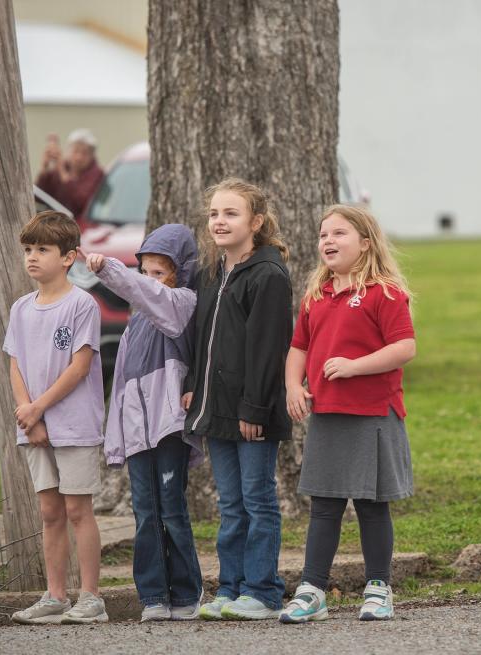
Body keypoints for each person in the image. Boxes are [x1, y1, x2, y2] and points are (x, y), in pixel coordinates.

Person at [280, 204, 416, 623]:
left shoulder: (385, 292)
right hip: (328, 414)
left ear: (365, 242)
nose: (328, 242)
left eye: (339, 234)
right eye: (323, 235)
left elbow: (404, 348)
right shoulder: (316, 295)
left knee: (372, 505)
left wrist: (354, 366)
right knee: (325, 505)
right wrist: (292, 386)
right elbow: (298, 347)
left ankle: (378, 587)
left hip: (373, 413)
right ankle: (312, 589)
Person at [182, 178, 292, 621]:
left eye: (231, 213)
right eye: (214, 214)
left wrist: (255, 409)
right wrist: (193, 384)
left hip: (252, 412)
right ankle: (229, 588)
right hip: (216, 409)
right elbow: (201, 338)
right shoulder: (212, 273)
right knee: (230, 504)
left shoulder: (267, 274)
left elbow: (268, 349)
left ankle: (263, 591)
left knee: (257, 500)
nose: (219, 221)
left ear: (257, 222)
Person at [82, 223, 204, 622]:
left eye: (160, 273)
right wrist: (115, 436)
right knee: (145, 512)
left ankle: (186, 594)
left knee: (171, 509)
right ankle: (153, 595)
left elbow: (144, 292)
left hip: (168, 427)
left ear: (179, 274)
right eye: (146, 271)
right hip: (137, 433)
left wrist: (111, 270)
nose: (151, 282)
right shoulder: (135, 325)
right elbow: (120, 387)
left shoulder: (181, 304)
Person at [4, 211, 107, 624]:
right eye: (28, 249)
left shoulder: (82, 304)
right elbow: (14, 364)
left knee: (79, 510)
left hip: (75, 425)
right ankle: (55, 596)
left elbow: (79, 367)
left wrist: (39, 408)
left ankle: (92, 597)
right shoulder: (20, 308)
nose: (32, 257)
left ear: (68, 257)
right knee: (49, 512)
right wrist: (29, 415)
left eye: (43, 249)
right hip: (33, 425)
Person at [36, 128, 106, 217]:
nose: (79, 157)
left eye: (84, 153)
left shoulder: (97, 174)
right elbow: (39, 197)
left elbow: (81, 202)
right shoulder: (61, 168)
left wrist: (62, 172)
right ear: (68, 151)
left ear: (92, 156)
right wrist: (44, 169)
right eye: (75, 151)